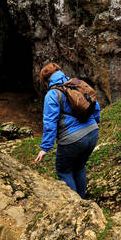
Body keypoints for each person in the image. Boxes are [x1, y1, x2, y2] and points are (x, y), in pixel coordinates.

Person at [32, 62, 100, 198]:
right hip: (93, 131)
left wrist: (45, 148)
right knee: (79, 167)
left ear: (46, 80)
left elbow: (50, 122)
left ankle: (77, 206)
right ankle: (83, 201)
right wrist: (95, 121)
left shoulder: (52, 94)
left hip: (73, 138)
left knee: (64, 171)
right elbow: (95, 104)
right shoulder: (77, 83)